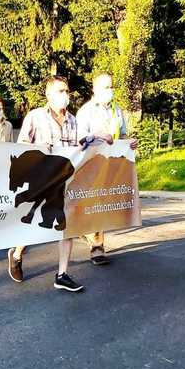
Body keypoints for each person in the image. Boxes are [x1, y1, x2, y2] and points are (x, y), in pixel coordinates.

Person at [8, 76, 84, 293]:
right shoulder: (35, 117)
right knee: (33, 221)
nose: (66, 96)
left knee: (65, 225)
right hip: (41, 178)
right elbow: (21, 145)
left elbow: (79, 147)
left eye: (67, 91)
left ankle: (62, 274)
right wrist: (39, 147)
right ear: (49, 95)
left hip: (64, 180)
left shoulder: (73, 120)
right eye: (61, 91)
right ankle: (17, 253)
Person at [76, 73, 139, 266]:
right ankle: (96, 246)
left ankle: (95, 241)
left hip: (112, 163)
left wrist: (130, 142)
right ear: (94, 89)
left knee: (104, 201)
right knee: (94, 201)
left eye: (111, 87)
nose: (110, 91)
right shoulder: (85, 111)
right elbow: (79, 140)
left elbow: (123, 134)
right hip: (91, 163)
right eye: (105, 87)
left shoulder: (116, 110)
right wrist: (98, 136)